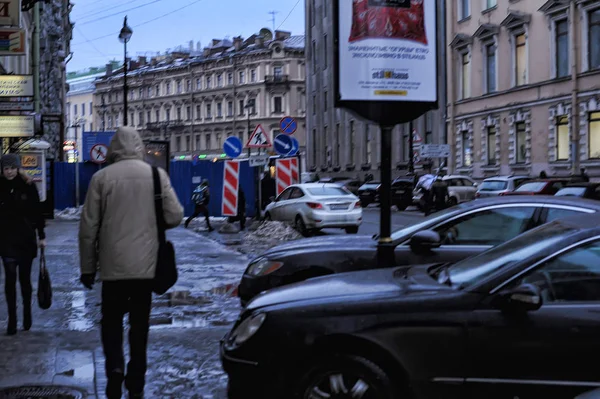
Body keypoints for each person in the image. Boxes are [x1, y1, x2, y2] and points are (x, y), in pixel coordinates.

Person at [79, 127, 183, 399]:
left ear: (114, 147)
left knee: (111, 322)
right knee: (140, 325)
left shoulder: (101, 178)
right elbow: (175, 216)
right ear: (139, 146)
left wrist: (88, 268)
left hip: (112, 268)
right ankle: (136, 376)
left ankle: (114, 366)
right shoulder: (155, 175)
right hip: (145, 268)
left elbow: (88, 228)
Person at [0, 154, 46, 336]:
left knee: (25, 280)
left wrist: (41, 236)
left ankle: (27, 312)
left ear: (18, 168)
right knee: (10, 280)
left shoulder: (28, 186)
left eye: (12, 168)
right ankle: (12, 319)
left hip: (26, 239)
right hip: (6, 240)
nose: (9, 171)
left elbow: (38, 213)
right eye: (6, 168)